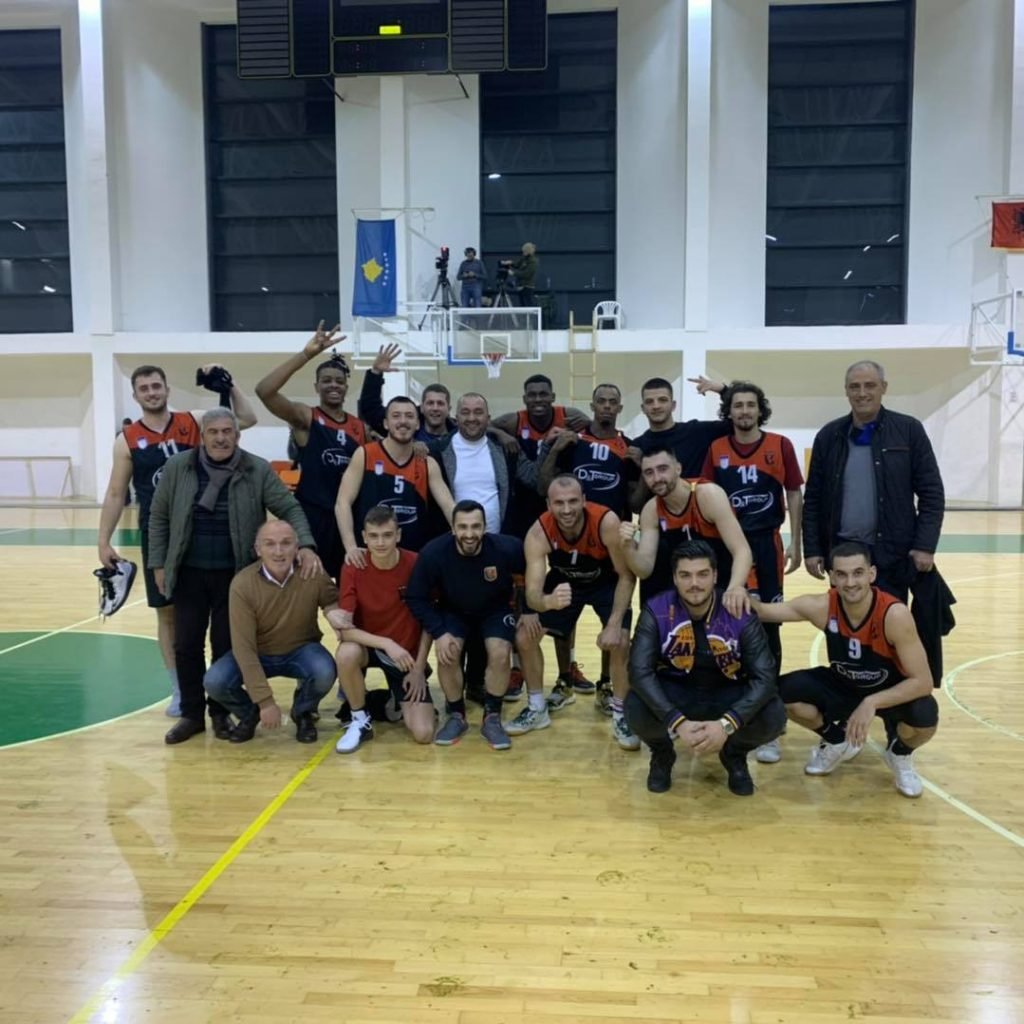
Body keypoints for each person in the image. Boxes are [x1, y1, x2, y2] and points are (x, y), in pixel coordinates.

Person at [147, 408, 321, 745]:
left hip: (236, 575)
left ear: (238, 436)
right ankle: (192, 715)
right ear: (202, 436)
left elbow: (289, 508)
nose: (221, 438)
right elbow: (158, 516)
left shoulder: (256, 469)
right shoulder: (179, 466)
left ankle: (220, 711)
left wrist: (306, 545)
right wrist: (158, 563)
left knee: (226, 647)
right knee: (186, 645)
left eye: (227, 432)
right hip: (188, 570)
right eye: (213, 432)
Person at [97, 363, 257, 717]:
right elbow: (115, 493)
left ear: (167, 389)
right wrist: (104, 541)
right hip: (159, 535)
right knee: (167, 614)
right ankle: (180, 691)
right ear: (136, 395)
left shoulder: (193, 421)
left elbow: (247, 418)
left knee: (217, 613)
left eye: (156, 386)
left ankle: (222, 685)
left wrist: (230, 385)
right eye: (144, 388)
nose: (151, 393)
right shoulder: (127, 440)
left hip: (200, 529)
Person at [754, 541, 938, 798]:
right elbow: (763, 611)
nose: (850, 582)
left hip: (887, 690)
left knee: (925, 714)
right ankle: (836, 740)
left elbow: (923, 682)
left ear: (872, 574)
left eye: (857, 573)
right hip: (843, 685)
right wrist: (733, 594)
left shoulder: (894, 615)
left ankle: (899, 754)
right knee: (779, 694)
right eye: (841, 574)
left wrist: (871, 702)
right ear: (831, 577)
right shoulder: (821, 607)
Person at [625, 540, 786, 797]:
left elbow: (765, 677)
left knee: (774, 713)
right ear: (674, 578)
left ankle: (734, 754)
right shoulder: (656, 609)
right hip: (676, 691)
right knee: (634, 705)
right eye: (685, 575)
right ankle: (662, 753)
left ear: (715, 576)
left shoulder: (739, 611)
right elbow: (638, 671)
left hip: (727, 691)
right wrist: (676, 722)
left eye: (702, 574)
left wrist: (727, 724)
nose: (694, 583)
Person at [537, 382, 642, 712]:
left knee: (613, 622)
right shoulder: (573, 442)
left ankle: (606, 684)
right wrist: (555, 450)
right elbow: (543, 486)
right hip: (568, 543)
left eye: (613, 402)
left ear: (620, 408)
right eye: (601, 401)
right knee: (561, 621)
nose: (607, 406)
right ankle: (564, 680)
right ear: (592, 406)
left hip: (609, 548)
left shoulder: (628, 448)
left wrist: (640, 468)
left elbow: (635, 502)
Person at [513, 475, 638, 750]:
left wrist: (614, 623)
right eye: (559, 503)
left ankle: (621, 715)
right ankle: (536, 708)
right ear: (549, 505)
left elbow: (626, 576)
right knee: (524, 636)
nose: (567, 509)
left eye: (572, 501)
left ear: (584, 500)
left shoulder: (606, 522)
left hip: (607, 582)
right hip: (565, 580)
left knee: (620, 640)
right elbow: (532, 593)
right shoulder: (538, 533)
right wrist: (547, 602)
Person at [802, 360, 944, 601]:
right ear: (846, 390)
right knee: (844, 621)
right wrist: (813, 549)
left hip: (893, 556)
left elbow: (932, 494)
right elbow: (813, 499)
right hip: (843, 554)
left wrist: (925, 545)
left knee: (891, 621)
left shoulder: (909, 430)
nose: (862, 393)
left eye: (870, 385)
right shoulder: (829, 436)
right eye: (854, 386)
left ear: (883, 387)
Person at [492, 374, 593, 694]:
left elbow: (592, 426)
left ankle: (569, 665)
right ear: (524, 398)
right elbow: (487, 425)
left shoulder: (570, 417)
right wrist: (500, 435)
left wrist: (574, 435)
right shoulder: (513, 421)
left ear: (552, 396)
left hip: (562, 511)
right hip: (522, 514)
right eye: (532, 394)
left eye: (543, 394)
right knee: (519, 593)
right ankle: (518, 667)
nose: (538, 399)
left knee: (566, 589)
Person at [405, 500, 529, 751]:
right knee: (447, 653)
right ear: (453, 528)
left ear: (485, 527)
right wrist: (439, 633)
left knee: (500, 653)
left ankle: (492, 717)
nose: (469, 534)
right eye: (463, 527)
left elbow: (529, 576)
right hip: (454, 611)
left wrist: (528, 611)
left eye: (475, 526)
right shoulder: (433, 553)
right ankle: (456, 715)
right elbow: (415, 597)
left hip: (495, 611)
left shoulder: (508, 548)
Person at [203, 521, 341, 744]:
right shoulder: (242, 584)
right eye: (270, 544)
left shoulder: (312, 573)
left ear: (297, 547)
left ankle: (303, 712)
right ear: (258, 550)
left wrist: (333, 613)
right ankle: (250, 713)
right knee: (214, 681)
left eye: (286, 543)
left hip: (300, 650)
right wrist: (265, 702)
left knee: (325, 670)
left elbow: (332, 600)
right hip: (258, 653)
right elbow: (244, 648)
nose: (278, 551)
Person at [255, 322, 371, 579]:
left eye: (339, 381)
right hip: (313, 517)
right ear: (316, 386)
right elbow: (264, 391)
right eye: (326, 381)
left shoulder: (360, 428)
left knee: (346, 590)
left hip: (348, 520)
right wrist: (306, 355)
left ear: (346, 387)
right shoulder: (306, 417)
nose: (333, 385)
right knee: (307, 587)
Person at [334, 505, 436, 752]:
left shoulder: (417, 564)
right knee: (346, 652)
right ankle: (360, 720)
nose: (380, 543)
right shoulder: (353, 566)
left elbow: (429, 621)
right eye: (374, 536)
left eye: (387, 535)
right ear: (364, 537)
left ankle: (387, 701)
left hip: (404, 656)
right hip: (369, 647)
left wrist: (419, 669)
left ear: (398, 535)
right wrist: (386, 643)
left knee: (423, 733)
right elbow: (345, 630)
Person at [619, 446, 753, 613]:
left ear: (678, 469)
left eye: (663, 469)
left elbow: (742, 550)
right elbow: (644, 570)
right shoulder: (651, 510)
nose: (657, 478)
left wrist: (735, 588)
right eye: (649, 473)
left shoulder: (708, 495)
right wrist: (628, 547)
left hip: (722, 583)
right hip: (686, 589)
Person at [336, 396, 455, 565]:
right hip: (370, 558)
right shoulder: (365, 454)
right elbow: (342, 503)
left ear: (417, 424)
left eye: (409, 416)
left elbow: (449, 506)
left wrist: (464, 531)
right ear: (386, 423)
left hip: (413, 559)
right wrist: (351, 547)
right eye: (396, 416)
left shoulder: (427, 463)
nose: (403, 421)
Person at [631, 377, 731, 482]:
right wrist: (643, 466)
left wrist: (723, 390)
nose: (656, 406)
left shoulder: (697, 432)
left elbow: (736, 423)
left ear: (673, 405)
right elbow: (634, 492)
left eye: (662, 400)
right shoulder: (638, 447)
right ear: (643, 408)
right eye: (649, 402)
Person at [358, 343, 457, 442]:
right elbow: (370, 410)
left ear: (449, 409)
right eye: (430, 403)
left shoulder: (459, 434)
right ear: (422, 408)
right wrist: (375, 373)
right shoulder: (404, 428)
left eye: (440, 403)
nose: (435, 408)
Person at [511, 242, 538, 307]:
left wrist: (514, 273)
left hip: (527, 286)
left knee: (528, 304)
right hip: (521, 286)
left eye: (525, 251)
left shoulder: (533, 261)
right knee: (522, 305)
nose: (523, 253)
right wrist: (510, 263)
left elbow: (526, 274)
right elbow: (517, 264)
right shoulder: (524, 258)